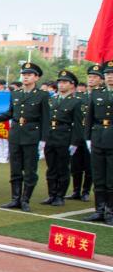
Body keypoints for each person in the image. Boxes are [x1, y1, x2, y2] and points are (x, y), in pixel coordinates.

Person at [0, 62, 49, 212]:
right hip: (16, 134)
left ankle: (25, 200)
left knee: (30, 170)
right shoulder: (16, 93)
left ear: (36, 77)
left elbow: (45, 119)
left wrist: (43, 139)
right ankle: (15, 199)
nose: (26, 77)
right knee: (15, 169)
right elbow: (10, 113)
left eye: (29, 75)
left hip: (31, 134)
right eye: (24, 75)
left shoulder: (42, 95)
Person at [40, 70, 84, 207]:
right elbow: (45, 120)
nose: (61, 85)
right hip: (50, 136)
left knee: (63, 168)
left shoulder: (76, 102)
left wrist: (74, 143)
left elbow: (78, 125)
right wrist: (43, 138)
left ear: (72, 85)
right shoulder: (52, 99)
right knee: (51, 168)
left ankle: (60, 196)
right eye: (59, 82)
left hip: (64, 137)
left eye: (65, 82)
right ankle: (51, 194)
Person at [83, 60, 113, 224]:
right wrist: (88, 138)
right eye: (107, 74)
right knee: (98, 176)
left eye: (112, 74)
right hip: (98, 137)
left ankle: (110, 212)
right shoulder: (96, 93)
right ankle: (99, 210)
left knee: (111, 178)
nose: (110, 76)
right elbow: (89, 117)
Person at [70, 63, 102, 201]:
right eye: (90, 77)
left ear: (101, 80)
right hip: (78, 135)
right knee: (76, 165)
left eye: (95, 77)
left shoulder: (102, 96)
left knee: (89, 166)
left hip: (93, 135)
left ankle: (86, 191)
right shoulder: (79, 97)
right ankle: (76, 190)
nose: (91, 79)